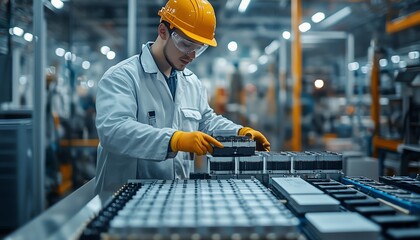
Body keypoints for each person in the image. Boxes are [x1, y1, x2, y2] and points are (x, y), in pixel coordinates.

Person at [94, 0, 270, 194]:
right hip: (123, 198)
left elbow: (206, 122)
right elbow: (113, 130)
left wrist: (239, 133)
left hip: (175, 194)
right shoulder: (122, 76)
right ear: (163, 31)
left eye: (199, 48)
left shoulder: (191, 82)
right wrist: (174, 140)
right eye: (185, 44)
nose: (191, 55)